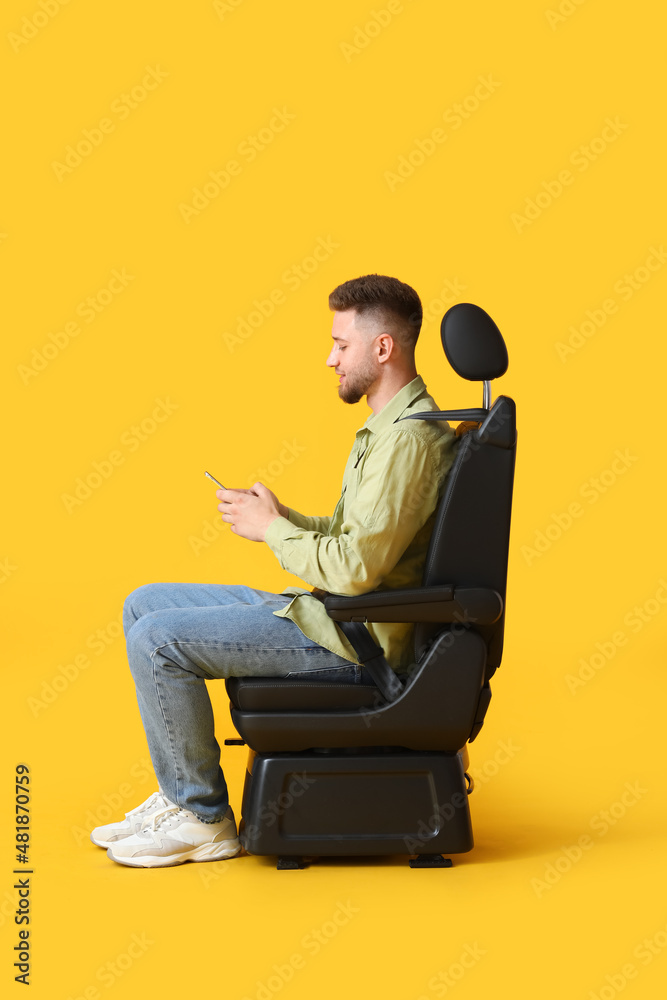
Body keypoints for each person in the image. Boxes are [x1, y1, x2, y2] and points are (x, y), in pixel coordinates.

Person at [91, 274, 457, 867]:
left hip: (352, 642)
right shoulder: (388, 430)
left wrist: (270, 530)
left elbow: (358, 568)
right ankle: (176, 794)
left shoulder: (408, 442)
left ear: (382, 348)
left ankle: (203, 817)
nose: (330, 358)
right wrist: (287, 516)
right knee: (144, 603)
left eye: (341, 344)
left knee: (158, 641)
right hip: (333, 614)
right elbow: (354, 540)